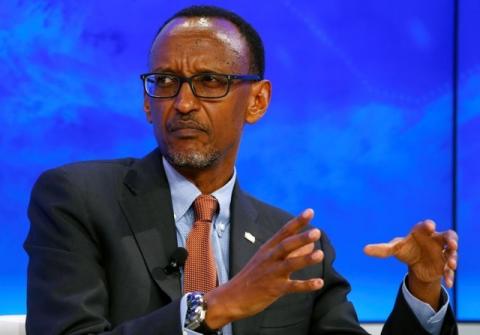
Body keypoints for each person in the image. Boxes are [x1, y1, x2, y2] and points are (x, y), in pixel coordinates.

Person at [24, 5, 459, 335]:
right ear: (146, 102)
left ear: (258, 101)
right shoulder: (77, 200)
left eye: (211, 81)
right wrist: (213, 307)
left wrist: (423, 290)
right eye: (164, 81)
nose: (183, 103)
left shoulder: (294, 247)